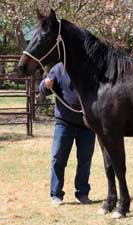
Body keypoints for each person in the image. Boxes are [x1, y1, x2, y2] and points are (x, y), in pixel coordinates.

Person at [39, 62, 96, 206]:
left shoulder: (88, 67)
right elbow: (43, 88)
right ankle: (56, 194)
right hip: (64, 122)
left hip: (87, 124)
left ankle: (82, 193)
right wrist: (46, 85)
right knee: (58, 158)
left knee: (85, 160)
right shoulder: (58, 69)